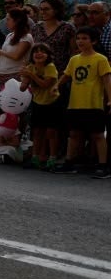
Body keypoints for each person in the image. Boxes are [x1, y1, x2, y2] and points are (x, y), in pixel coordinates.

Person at [52, 27, 111, 177]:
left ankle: (103, 166)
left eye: (85, 38)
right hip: (75, 103)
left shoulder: (100, 59)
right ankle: (69, 162)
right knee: (73, 134)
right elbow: (66, 75)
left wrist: (110, 100)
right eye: (78, 38)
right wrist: (56, 85)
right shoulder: (74, 59)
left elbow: (106, 81)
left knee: (97, 135)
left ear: (94, 41)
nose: (80, 41)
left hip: (93, 104)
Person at [20, 43, 62, 170]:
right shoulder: (30, 67)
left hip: (52, 103)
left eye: (42, 51)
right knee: (37, 131)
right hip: (38, 103)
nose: (39, 53)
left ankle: (52, 159)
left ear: (49, 55)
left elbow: (45, 84)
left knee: (51, 132)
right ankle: (35, 158)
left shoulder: (50, 67)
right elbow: (22, 88)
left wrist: (31, 75)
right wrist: (24, 75)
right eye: (36, 51)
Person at [0, 8, 32, 93]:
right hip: (3, 75)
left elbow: (16, 56)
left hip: (15, 75)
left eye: (8, 19)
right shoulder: (9, 35)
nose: (6, 22)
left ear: (17, 21)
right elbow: (5, 55)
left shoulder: (26, 37)